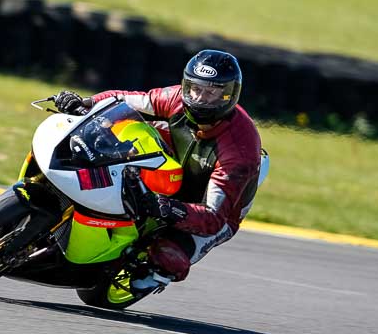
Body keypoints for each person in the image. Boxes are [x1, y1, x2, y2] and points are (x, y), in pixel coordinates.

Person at [55, 49, 264, 294]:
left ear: (229, 95)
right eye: (195, 88)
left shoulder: (239, 151)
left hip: (207, 208)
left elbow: (213, 218)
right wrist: (85, 103)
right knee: (119, 130)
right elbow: (124, 101)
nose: (199, 98)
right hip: (171, 168)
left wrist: (169, 208)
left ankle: (155, 275)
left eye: (211, 92)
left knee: (169, 257)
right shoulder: (176, 98)